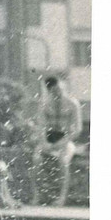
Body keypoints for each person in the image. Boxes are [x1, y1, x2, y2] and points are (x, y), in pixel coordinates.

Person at [31, 74, 82, 207]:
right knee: (36, 159)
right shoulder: (45, 104)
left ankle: (61, 198)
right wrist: (44, 143)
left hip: (65, 140)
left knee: (63, 160)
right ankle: (37, 196)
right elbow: (41, 127)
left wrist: (62, 143)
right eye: (54, 91)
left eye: (59, 89)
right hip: (48, 140)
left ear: (63, 87)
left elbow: (77, 130)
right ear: (49, 91)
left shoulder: (72, 104)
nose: (58, 93)